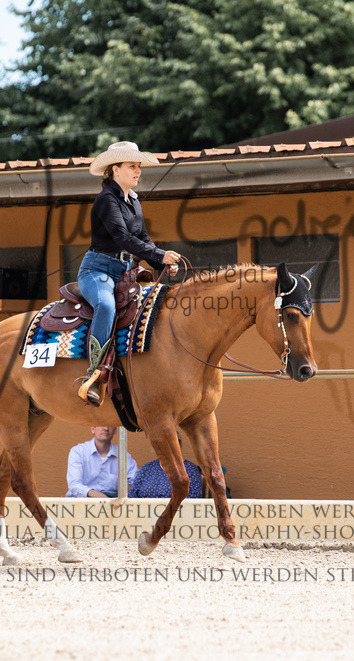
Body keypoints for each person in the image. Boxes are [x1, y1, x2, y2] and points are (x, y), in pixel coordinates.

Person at [77, 140, 183, 406]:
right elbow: (123, 238)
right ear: (115, 170)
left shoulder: (134, 201)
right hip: (96, 270)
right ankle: (95, 374)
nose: (138, 171)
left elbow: (143, 239)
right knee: (106, 306)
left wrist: (161, 263)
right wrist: (159, 256)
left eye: (138, 167)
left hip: (126, 272)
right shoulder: (106, 200)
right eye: (132, 166)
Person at [66, 426, 137, 498]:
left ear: (115, 430)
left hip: (113, 503)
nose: (106, 428)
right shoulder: (78, 452)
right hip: (82, 502)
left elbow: (135, 483)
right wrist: (95, 495)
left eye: (110, 425)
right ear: (93, 429)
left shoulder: (124, 456)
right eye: (101, 425)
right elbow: (74, 484)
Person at [128, 458, 204, 499]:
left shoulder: (190, 469)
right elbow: (132, 494)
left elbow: (194, 497)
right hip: (143, 516)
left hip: (178, 517)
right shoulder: (147, 467)